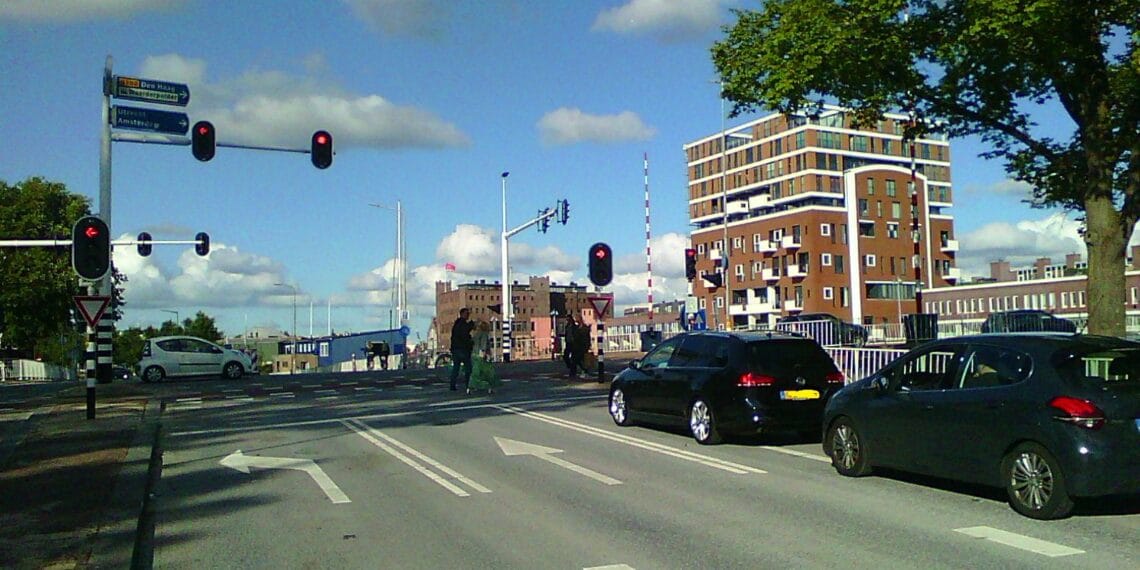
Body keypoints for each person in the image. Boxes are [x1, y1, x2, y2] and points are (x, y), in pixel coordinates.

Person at [449, 308, 475, 391]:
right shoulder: (462, 324)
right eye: (467, 314)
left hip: (456, 348)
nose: (468, 315)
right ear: (462, 314)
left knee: (456, 368)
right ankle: (468, 385)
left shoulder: (457, 324)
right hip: (462, 349)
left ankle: (452, 385)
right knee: (468, 368)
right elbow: (464, 334)